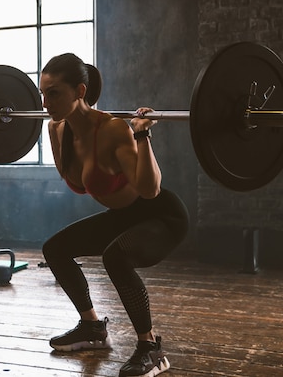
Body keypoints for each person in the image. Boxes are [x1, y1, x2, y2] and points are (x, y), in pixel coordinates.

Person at [40, 53, 189, 377]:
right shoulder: (56, 130)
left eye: (53, 93)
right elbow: (75, 178)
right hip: (123, 215)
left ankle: (151, 348)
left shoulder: (111, 130)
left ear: (80, 91)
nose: (45, 102)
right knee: (55, 249)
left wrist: (141, 135)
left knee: (115, 256)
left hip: (161, 215)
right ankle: (92, 327)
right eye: (42, 93)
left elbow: (149, 191)